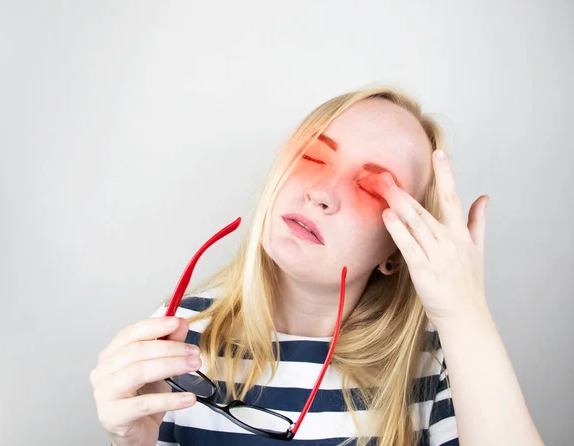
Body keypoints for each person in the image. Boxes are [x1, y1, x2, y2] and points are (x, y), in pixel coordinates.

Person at [90, 86, 545, 446]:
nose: (321, 192)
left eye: (371, 186)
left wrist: (466, 316)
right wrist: (132, 444)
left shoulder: (436, 363)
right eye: (312, 157)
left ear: (396, 251)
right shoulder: (176, 335)